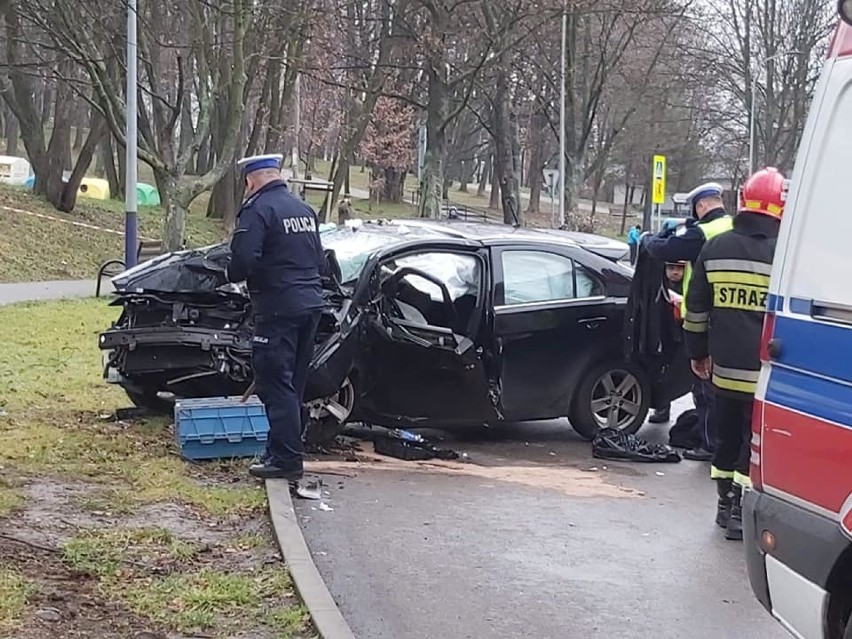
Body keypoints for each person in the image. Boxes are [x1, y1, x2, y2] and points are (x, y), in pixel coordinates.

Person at [683, 167, 785, 540]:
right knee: (750, 440)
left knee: (725, 437)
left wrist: (698, 354)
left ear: (744, 200)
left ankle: (724, 504)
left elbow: (696, 312)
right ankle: (741, 511)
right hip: (765, 375)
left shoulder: (716, 247)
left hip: (722, 370)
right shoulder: (784, 257)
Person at [225, 153, 327, 482]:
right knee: (292, 385)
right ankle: (281, 450)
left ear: (251, 180)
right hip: (310, 305)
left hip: (278, 307)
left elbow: (243, 261)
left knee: (273, 382)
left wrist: (227, 275)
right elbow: (320, 261)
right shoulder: (304, 210)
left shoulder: (258, 210)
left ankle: (285, 460)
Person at [642, 182, 733, 461]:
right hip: (735, 317)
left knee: (704, 386)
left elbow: (665, 250)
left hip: (706, 319)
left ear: (701, 205)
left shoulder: (701, 233)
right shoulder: (732, 225)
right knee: (728, 388)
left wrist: (647, 239)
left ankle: (708, 444)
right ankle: (727, 443)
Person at [647, 260, 686, 424]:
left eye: (679, 269)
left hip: (683, 333)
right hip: (666, 335)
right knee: (664, 372)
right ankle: (662, 408)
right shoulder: (661, 286)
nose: (675, 272)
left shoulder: (688, 286)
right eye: (671, 268)